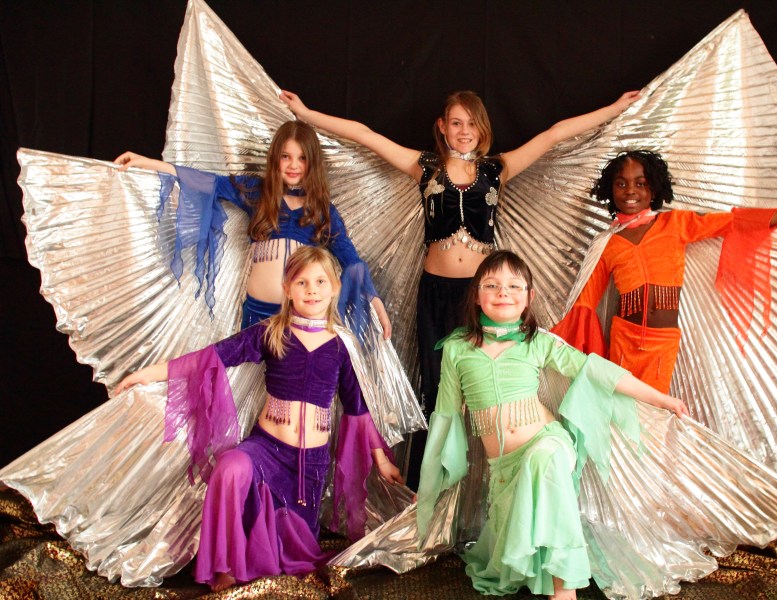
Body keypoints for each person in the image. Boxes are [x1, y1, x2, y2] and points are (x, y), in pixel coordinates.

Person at [279, 88, 641, 487]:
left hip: (481, 298)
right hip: (435, 293)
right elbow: (366, 135)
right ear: (442, 126)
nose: (464, 131)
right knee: (437, 388)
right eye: (456, 122)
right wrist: (307, 113)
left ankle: (485, 484)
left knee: (486, 387)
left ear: (482, 128)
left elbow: (554, 134)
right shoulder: (425, 167)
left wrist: (614, 108)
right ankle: (431, 486)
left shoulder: (497, 169)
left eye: (471, 123)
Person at [115, 246, 403, 592]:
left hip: (308, 466)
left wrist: (381, 460)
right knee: (231, 468)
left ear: (335, 288)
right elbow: (212, 357)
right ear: (287, 288)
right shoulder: (271, 332)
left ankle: (256, 556)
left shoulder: (342, 345)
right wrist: (147, 375)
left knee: (291, 556)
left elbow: (357, 409)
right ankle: (224, 566)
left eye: (320, 282)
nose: (311, 290)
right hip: (266, 449)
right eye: (302, 282)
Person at [416, 250, 687, 599]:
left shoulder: (538, 342)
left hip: (547, 442)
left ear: (529, 297)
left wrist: (662, 400)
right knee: (510, 563)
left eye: (514, 286)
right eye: (492, 285)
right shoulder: (456, 349)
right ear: (477, 296)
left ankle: (564, 590)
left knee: (543, 459)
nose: (503, 292)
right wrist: (432, 481)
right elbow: (446, 415)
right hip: (503, 470)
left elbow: (595, 371)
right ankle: (552, 576)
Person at [552, 149, 777, 392]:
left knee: (652, 415)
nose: (630, 191)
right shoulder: (607, 242)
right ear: (610, 189)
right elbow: (585, 304)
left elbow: (733, 222)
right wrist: (549, 343)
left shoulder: (675, 223)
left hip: (662, 342)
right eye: (621, 184)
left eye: (641, 183)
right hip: (623, 339)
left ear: (654, 189)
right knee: (619, 412)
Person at [115, 119, 391, 336]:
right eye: (286, 156)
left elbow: (351, 259)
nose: (293, 165)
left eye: (302, 158)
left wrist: (375, 301)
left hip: (301, 318)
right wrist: (148, 163)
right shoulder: (257, 192)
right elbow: (207, 182)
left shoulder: (323, 210)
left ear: (313, 163)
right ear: (275, 159)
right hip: (256, 314)